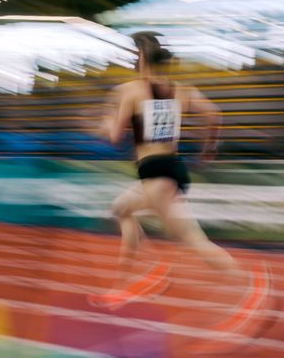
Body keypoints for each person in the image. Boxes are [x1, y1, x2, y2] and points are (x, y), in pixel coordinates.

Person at [88, 32, 268, 314]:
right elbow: (213, 115)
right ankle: (132, 280)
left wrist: (104, 121)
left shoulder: (130, 90)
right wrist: (208, 150)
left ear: (143, 56)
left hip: (156, 175)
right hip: (170, 168)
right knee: (121, 209)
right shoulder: (182, 90)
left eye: (134, 54)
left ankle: (250, 285)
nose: (131, 60)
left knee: (194, 241)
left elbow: (113, 137)